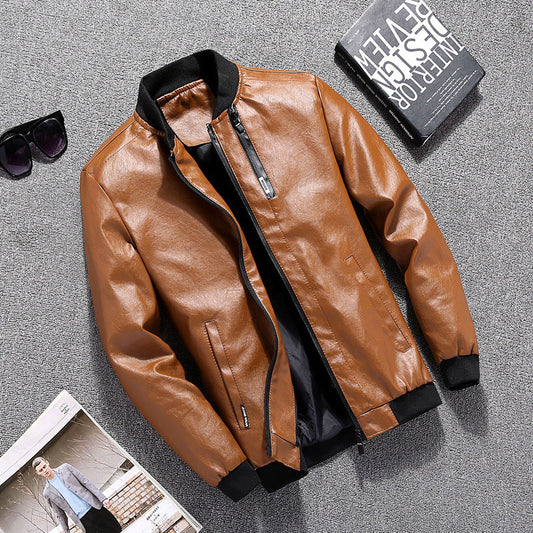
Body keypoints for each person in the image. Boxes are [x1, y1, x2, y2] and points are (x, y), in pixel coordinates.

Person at [33, 456, 122, 533]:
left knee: (116, 530)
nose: (44, 470)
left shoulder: (65, 468)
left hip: (94, 507)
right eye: (41, 470)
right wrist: (66, 531)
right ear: (38, 473)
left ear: (47, 463)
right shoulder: (47, 493)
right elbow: (60, 514)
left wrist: (103, 498)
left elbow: (86, 482)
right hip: (83, 520)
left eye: (44, 466)